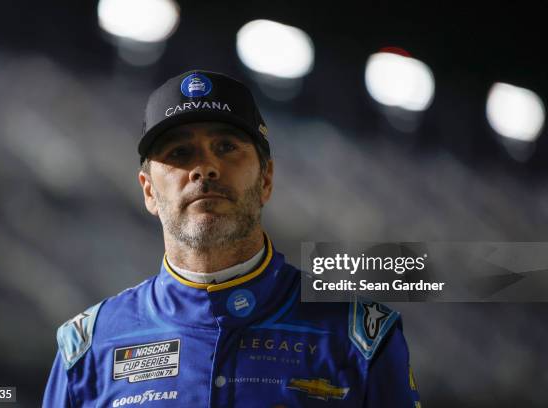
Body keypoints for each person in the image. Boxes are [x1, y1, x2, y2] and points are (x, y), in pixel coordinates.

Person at [42, 70, 421, 407]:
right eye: (179, 152)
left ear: (266, 179)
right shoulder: (88, 350)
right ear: (148, 192)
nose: (204, 168)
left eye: (226, 147)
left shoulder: (363, 338)